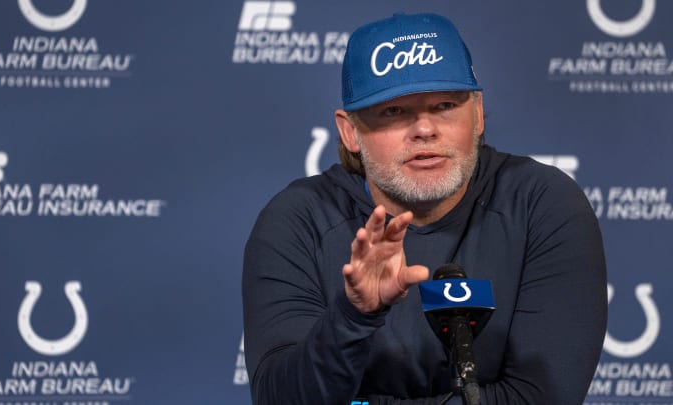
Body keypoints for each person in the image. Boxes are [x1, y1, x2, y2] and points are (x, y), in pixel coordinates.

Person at [242, 12, 607, 405]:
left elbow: (541, 398)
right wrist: (354, 316)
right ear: (350, 131)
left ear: (478, 112)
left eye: (445, 104)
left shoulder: (541, 203)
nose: (425, 129)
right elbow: (280, 399)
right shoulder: (298, 221)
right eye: (394, 112)